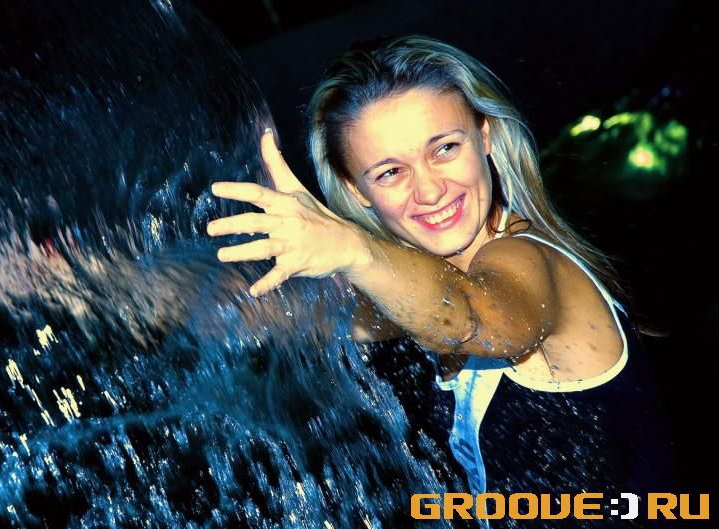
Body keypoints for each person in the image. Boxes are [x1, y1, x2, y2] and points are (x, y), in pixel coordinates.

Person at [207, 35, 672, 527]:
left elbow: (471, 319)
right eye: (390, 173)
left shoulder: (533, 262)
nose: (429, 190)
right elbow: (271, 314)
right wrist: (156, 291)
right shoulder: (401, 292)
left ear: (485, 136)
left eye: (445, 148)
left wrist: (352, 248)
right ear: (355, 190)